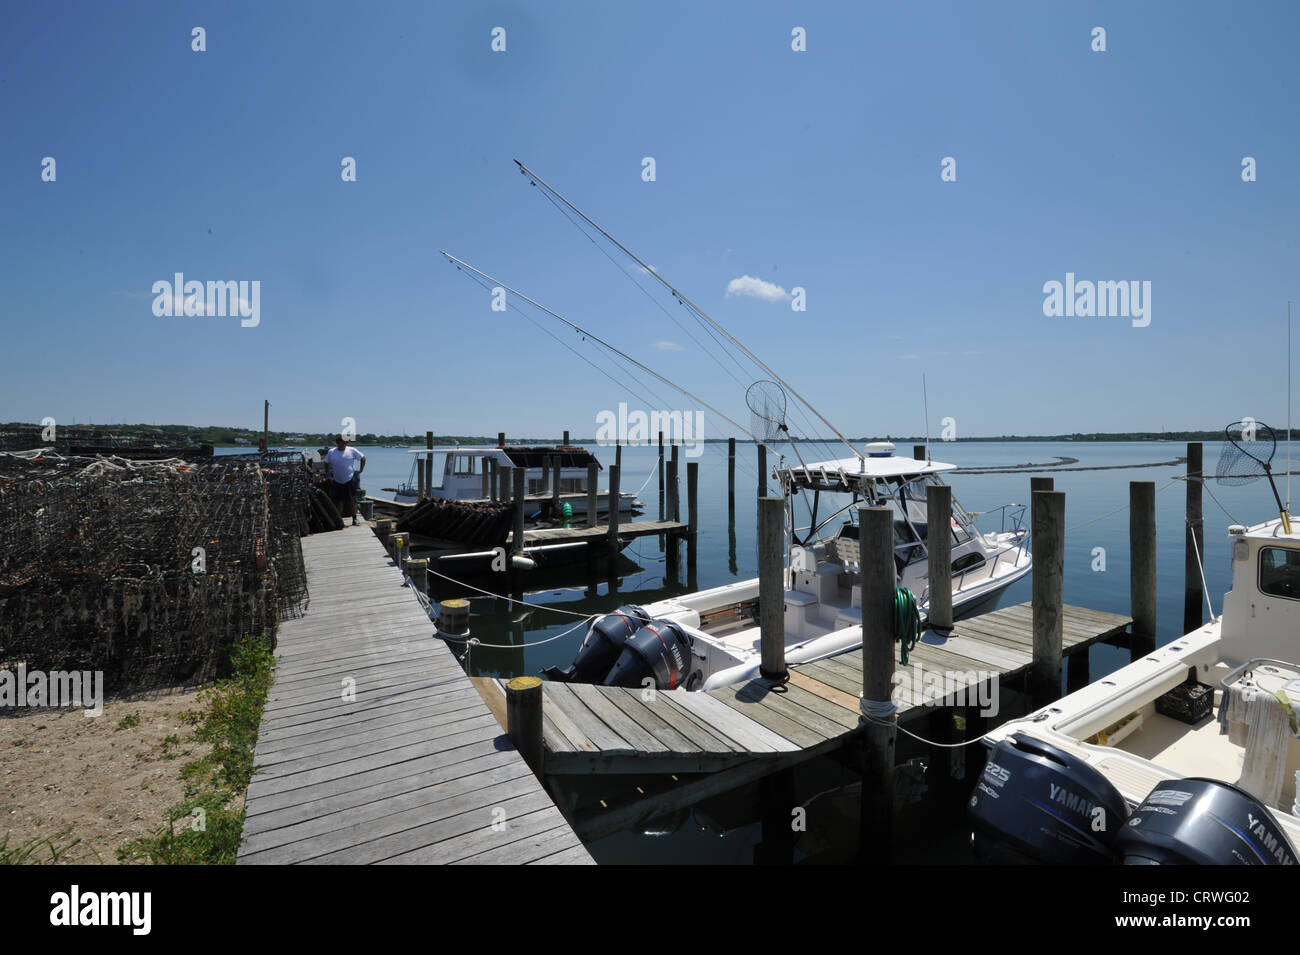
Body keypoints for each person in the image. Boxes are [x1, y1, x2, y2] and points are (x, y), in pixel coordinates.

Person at [323, 435, 366, 525]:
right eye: (339, 442)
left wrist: (361, 470)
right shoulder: (331, 451)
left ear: (346, 443)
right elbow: (326, 462)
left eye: (344, 442)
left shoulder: (352, 450)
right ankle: (339, 519)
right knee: (339, 501)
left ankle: (354, 519)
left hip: (349, 479)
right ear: (337, 443)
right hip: (337, 480)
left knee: (352, 500)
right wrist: (327, 472)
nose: (341, 444)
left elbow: (363, 458)